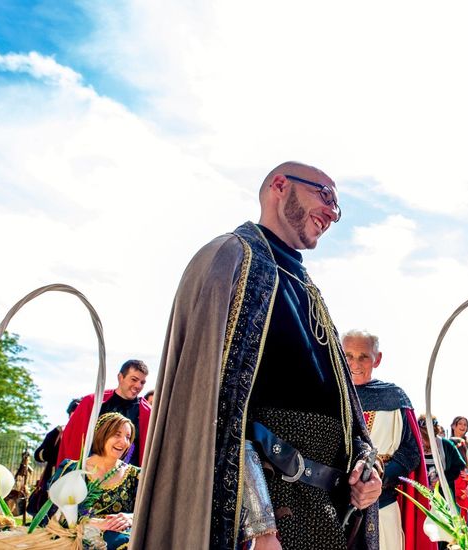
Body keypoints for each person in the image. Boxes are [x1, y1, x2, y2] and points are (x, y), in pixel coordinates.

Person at [132, 162, 382, 550]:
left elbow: (344, 409)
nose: (333, 212)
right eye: (325, 195)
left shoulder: (307, 287)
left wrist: (366, 466)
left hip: (324, 512)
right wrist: (259, 525)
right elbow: (216, 410)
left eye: (338, 204)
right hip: (269, 520)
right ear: (280, 186)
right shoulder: (229, 258)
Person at [344, 330, 433, 550]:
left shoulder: (394, 398)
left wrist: (376, 479)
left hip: (383, 505)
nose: (355, 363)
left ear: (377, 358)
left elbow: (411, 451)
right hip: (334, 506)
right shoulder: (330, 395)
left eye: (363, 356)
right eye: (348, 355)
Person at [52, 412, 140, 550]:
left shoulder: (136, 475)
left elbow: (153, 509)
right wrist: (92, 523)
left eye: (128, 437)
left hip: (121, 541)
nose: (124, 442)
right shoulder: (73, 468)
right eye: (117, 434)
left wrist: (131, 517)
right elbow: (54, 509)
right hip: (75, 538)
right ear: (102, 434)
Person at [58, 360, 151, 467]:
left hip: (127, 476)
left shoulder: (147, 413)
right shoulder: (93, 403)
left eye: (142, 382)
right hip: (90, 473)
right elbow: (73, 442)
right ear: (120, 377)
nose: (138, 386)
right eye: (134, 379)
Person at [29, 398, 81, 512]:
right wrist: (51, 454)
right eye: (74, 410)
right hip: (53, 480)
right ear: (70, 414)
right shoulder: (58, 432)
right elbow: (38, 455)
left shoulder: (88, 435)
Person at [448, 417, 468, 524]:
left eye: (465, 425)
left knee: (466, 519)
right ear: (454, 426)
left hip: (467, 485)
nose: (463, 427)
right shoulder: (447, 443)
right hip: (452, 483)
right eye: (460, 424)